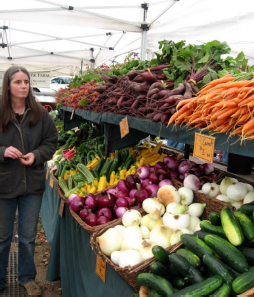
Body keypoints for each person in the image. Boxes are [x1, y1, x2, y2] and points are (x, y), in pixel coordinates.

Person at [0, 66, 58, 296]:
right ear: (8, 86)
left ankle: (27, 278)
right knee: (2, 237)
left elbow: (51, 142)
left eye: (26, 81)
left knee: (27, 237)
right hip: (4, 184)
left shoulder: (40, 113)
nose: (23, 86)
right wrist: (2, 152)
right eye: (18, 82)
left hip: (31, 185)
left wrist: (37, 156)